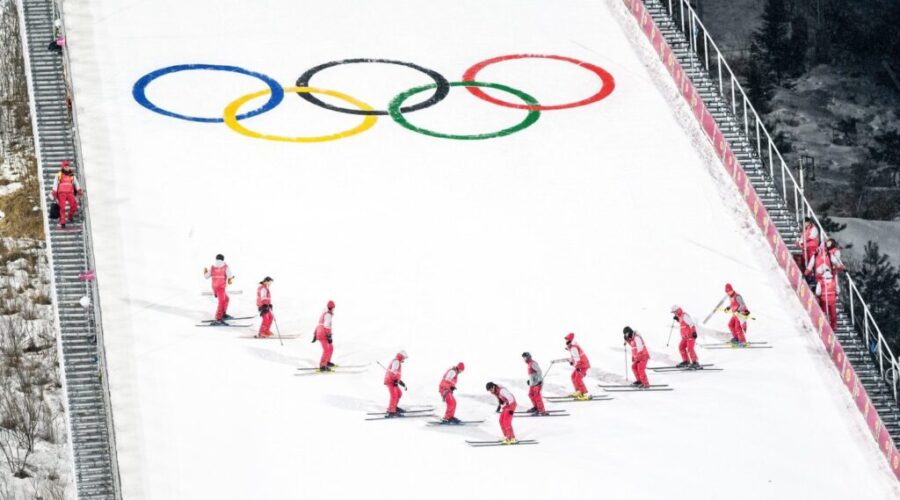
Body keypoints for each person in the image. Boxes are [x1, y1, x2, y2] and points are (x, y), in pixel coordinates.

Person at [203, 254, 233, 325]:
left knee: (226, 299)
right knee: (222, 301)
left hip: (215, 287)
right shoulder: (225, 266)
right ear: (223, 259)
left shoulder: (212, 267)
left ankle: (222, 314)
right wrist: (230, 279)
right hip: (221, 288)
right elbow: (230, 276)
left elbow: (206, 276)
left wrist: (205, 272)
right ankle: (218, 318)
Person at [50, 160, 81, 228]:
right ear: (63, 167)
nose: (67, 167)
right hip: (62, 193)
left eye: (68, 166)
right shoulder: (59, 175)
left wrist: (79, 190)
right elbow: (55, 183)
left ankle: (70, 216)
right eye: (65, 166)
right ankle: (62, 222)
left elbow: (76, 183)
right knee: (62, 208)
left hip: (70, 192)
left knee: (74, 205)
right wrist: (54, 191)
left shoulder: (72, 175)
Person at [565, 333, 591, 400]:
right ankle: (578, 391)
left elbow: (577, 358)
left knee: (578, 379)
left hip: (583, 365)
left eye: (567, 340)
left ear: (570, 340)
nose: (566, 341)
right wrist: (571, 361)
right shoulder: (572, 347)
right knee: (573, 376)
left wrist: (576, 366)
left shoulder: (573, 348)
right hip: (580, 364)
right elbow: (574, 357)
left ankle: (584, 394)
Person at [312, 300, 336, 371]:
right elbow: (326, 326)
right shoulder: (328, 315)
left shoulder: (325, 313)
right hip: (323, 334)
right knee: (326, 349)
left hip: (322, 332)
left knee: (331, 347)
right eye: (334, 308)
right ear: (332, 308)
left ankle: (327, 362)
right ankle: (322, 365)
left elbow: (320, 324)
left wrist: (315, 333)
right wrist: (329, 335)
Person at [384, 351, 407, 417]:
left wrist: (401, 383)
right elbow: (393, 371)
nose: (404, 359)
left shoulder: (397, 362)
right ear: (401, 356)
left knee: (399, 394)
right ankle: (391, 411)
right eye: (404, 358)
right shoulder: (396, 362)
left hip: (393, 381)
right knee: (394, 396)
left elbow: (396, 374)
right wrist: (395, 381)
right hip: (391, 381)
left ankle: (394, 407)